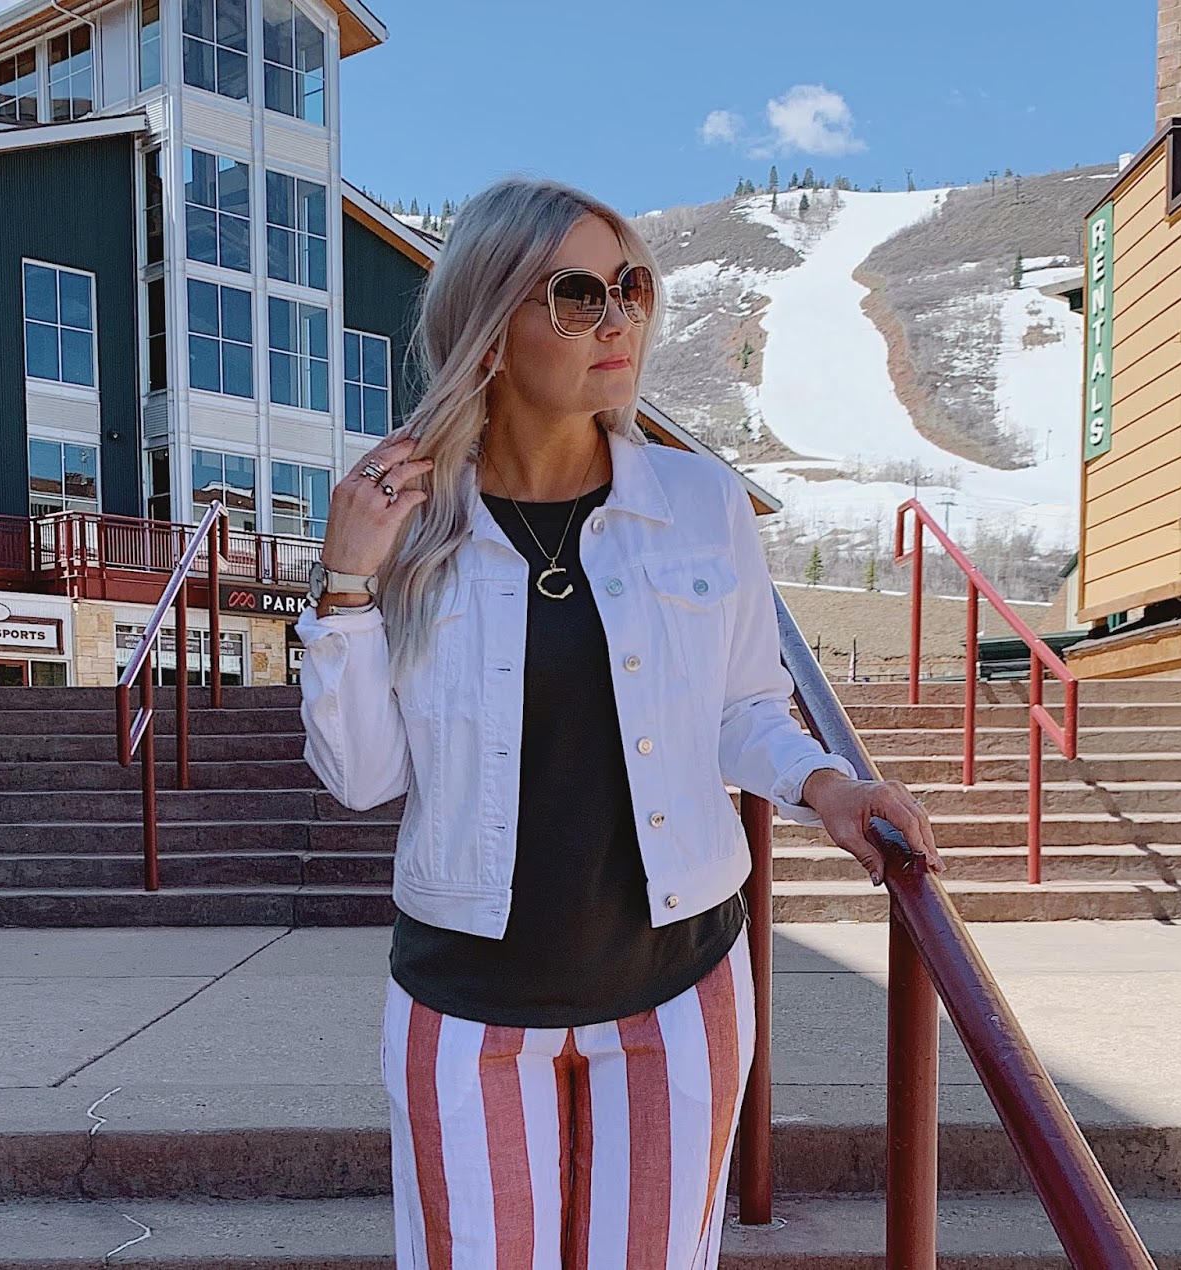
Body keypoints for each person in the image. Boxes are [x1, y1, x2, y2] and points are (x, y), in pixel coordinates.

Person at [295, 176, 942, 1269]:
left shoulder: (700, 504)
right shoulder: (403, 519)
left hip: (677, 992)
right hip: (467, 1004)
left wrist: (827, 785)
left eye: (632, 288)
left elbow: (744, 706)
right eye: (579, 295)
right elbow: (361, 777)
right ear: (491, 329)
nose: (618, 320)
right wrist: (347, 584)